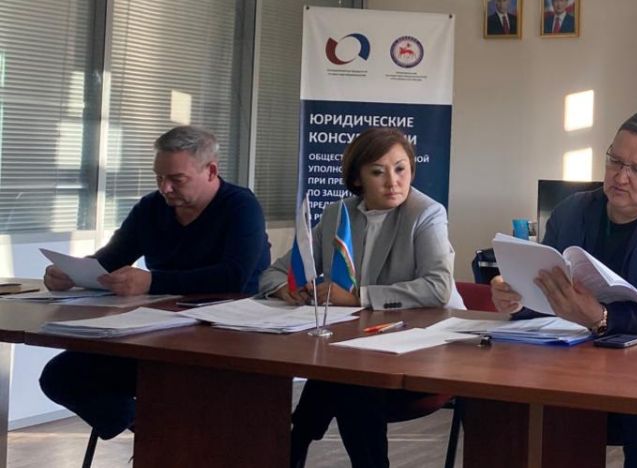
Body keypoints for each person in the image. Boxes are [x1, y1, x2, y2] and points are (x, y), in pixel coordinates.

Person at [491, 110, 637, 468]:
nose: (621, 177)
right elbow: (547, 291)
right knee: (498, 398)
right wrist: (516, 297)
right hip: (572, 361)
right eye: (615, 162)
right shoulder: (572, 210)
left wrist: (602, 317)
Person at [39, 125, 271, 441]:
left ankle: (166, 436)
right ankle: (154, 430)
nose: (165, 188)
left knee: (182, 389)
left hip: (226, 338)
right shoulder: (151, 207)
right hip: (156, 333)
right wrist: (73, 273)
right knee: (61, 376)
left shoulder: (240, 206)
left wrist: (152, 281)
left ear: (211, 171)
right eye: (159, 178)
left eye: (177, 179)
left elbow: (233, 276)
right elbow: (111, 259)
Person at [260, 128, 456, 468]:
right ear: (357, 178)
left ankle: (297, 443)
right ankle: (297, 445)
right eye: (378, 172)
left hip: (424, 348)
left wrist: (358, 297)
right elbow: (274, 273)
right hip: (360, 348)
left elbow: (438, 287)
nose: (393, 182)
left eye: (401, 169)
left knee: (348, 381)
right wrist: (286, 288)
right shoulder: (337, 214)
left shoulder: (426, 213)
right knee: (345, 375)